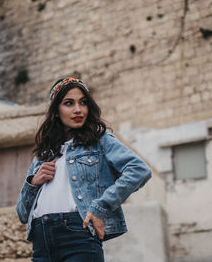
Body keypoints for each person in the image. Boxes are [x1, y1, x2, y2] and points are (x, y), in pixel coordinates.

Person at [16, 77, 151, 262]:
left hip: (78, 234)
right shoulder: (43, 154)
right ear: (56, 110)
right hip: (42, 240)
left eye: (83, 102)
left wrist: (100, 207)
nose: (78, 109)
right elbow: (22, 214)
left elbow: (139, 170)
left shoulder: (99, 140)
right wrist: (33, 183)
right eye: (69, 103)